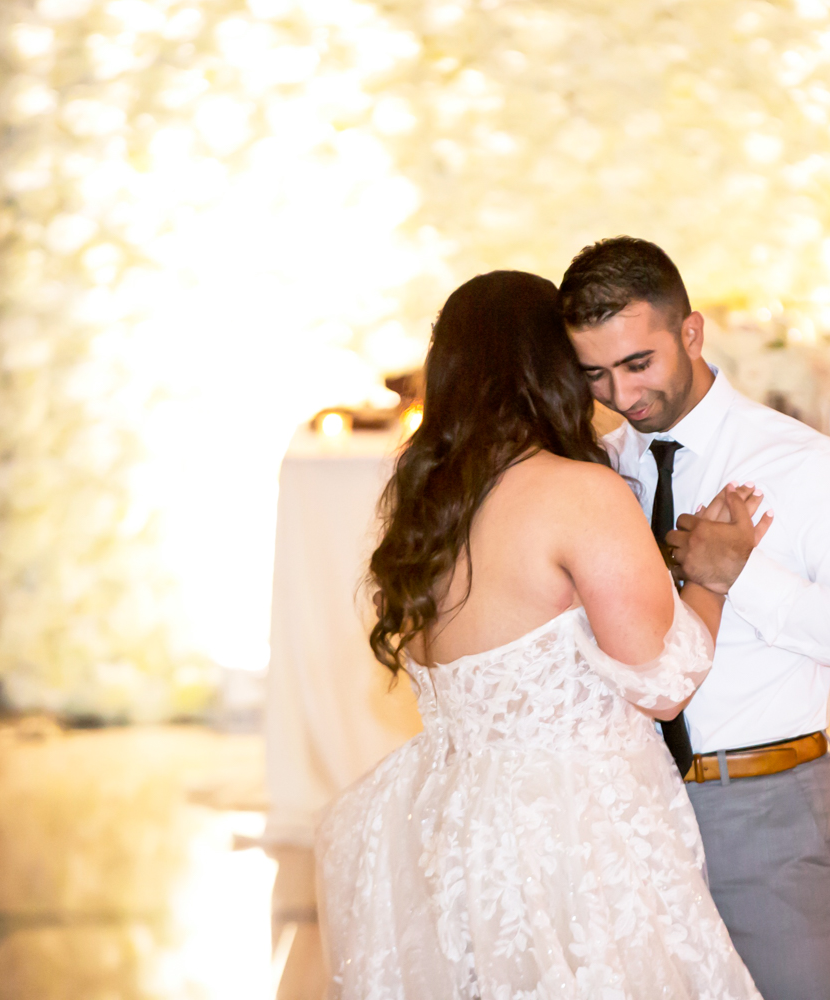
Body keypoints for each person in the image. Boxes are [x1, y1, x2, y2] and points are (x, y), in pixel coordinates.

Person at [314, 270, 769, 999]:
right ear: (553, 368)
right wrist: (710, 580)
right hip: (572, 835)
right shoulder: (577, 491)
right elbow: (663, 681)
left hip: (452, 826)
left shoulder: (424, 494)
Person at [561, 238, 830, 1000]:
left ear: (691, 334)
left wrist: (742, 576)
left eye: (638, 363)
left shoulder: (803, 465)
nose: (621, 395)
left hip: (761, 809)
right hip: (626, 811)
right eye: (594, 373)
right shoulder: (594, 473)